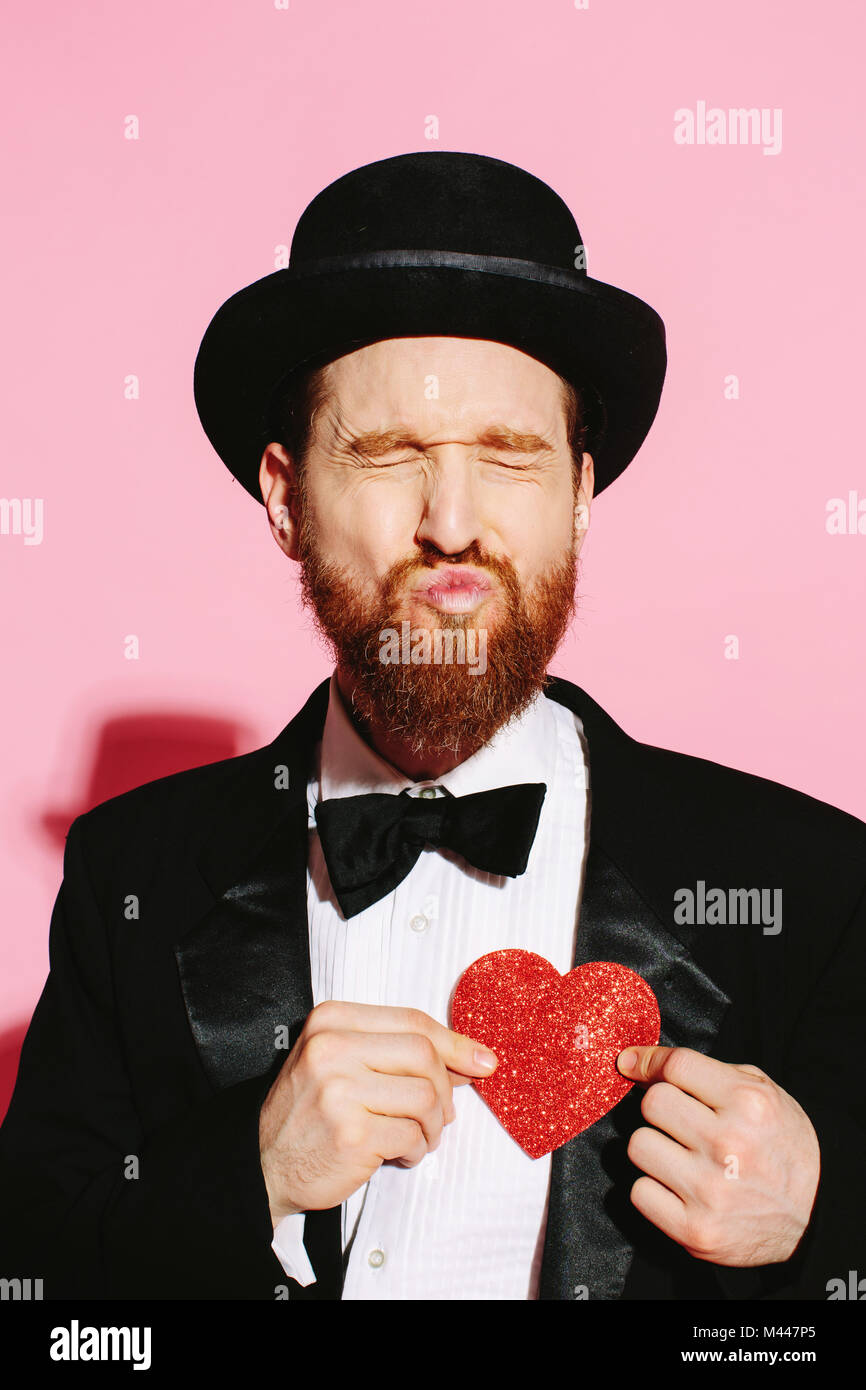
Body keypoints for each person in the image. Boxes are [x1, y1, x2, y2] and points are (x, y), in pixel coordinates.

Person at [1, 151, 863, 1301]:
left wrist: (823, 1219)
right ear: (283, 495)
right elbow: (44, 1295)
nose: (450, 525)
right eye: (388, 454)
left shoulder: (813, 880)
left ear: (577, 495)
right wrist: (245, 1173)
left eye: (507, 457)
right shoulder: (132, 876)